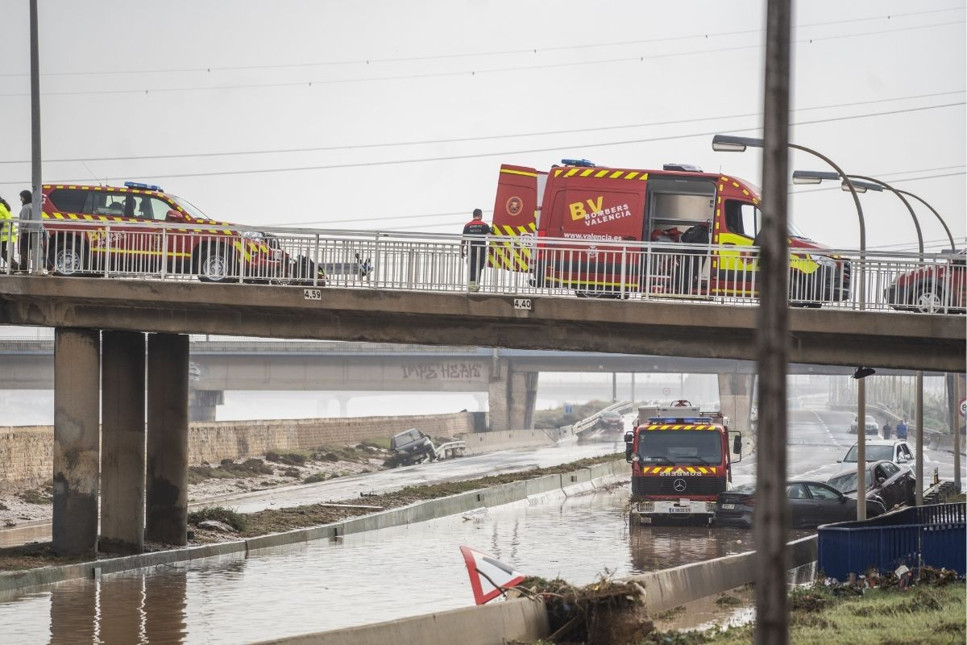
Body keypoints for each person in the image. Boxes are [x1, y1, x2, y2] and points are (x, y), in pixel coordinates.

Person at [461, 208, 491, 292]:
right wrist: (492, 232)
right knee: (479, 268)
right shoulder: (484, 225)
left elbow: (463, 239)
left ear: (473, 215)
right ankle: (476, 285)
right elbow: (489, 236)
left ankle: (471, 287)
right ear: (480, 215)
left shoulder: (467, 225)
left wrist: (461, 250)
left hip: (471, 251)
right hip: (481, 251)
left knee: (472, 268)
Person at [17, 190, 45, 275]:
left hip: (26, 233)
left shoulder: (25, 207)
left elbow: (24, 221)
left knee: (23, 251)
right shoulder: (34, 206)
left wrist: (20, 232)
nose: (20, 199)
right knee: (37, 251)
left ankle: (24, 269)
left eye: (21, 197)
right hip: (35, 232)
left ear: (25, 198)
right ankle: (49, 266)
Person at [0, 195, 19, 273]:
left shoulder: (0, 208)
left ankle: (15, 266)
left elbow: (0, 223)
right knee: (2, 251)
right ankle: (15, 266)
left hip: (2, 234)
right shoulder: (4, 207)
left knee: (2, 251)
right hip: (5, 235)